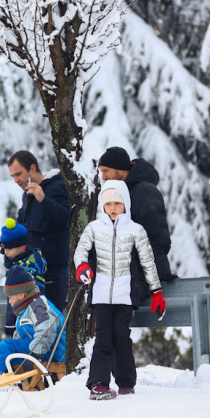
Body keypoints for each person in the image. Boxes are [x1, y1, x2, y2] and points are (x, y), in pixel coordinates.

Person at [74, 180, 165, 400]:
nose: (113, 207)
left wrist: (156, 292)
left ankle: (125, 382)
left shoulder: (136, 230)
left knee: (122, 337)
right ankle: (98, 383)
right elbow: (80, 253)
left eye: (117, 202)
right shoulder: (94, 228)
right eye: (108, 204)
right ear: (102, 206)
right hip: (102, 295)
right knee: (104, 337)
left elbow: (148, 263)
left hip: (125, 295)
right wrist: (82, 268)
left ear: (126, 203)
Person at [98, 147, 174, 281]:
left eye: (106, 171)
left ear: (120, 169)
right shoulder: (122, 194)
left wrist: (154, 273)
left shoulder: (143, 191)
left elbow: (157, 235)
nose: (103, 177)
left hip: (148, 272)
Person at [7, 150, 70, 311]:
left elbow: (66, 220)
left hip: (53, 273)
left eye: (18, 174)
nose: (16, 180)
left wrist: (44, 200)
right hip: (32, 272)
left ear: (32, 168)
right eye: (13, 176)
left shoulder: (57, 186)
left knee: (52, 325)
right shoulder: (27, 195)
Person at [0, 218, 47, 336]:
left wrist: (11, 323)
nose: (5, 252)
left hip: (30, 320)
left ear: (22, 247)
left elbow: (25, 297)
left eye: (9, 248)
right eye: (4, 249)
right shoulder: (17, 264)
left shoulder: (26, 268)